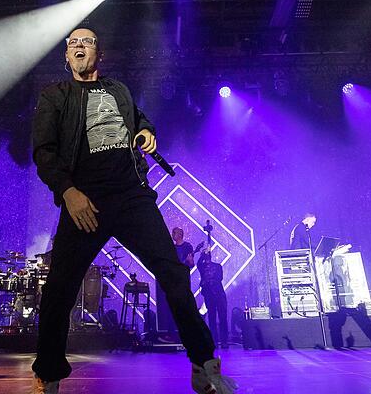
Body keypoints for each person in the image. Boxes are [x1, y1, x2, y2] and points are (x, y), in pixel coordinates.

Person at [30, 27, 236, 394]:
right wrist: (68, 191)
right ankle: (48, 375)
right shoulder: (55, 95)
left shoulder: (117, 90)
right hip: (85, 198)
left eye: (87, 41)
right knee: (60, 286)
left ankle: (204, 363)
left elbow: (138, 118)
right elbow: (44, 152)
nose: (79, 46)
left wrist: (146, 131)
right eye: (72, 43)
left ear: (99, 54)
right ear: (65, 56)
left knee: (174, 273)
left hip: (131, 194)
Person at [197, 250, 229, 349]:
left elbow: (219, 278)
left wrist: (209, 279)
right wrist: (202, 254)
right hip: (209, 295)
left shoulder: (218, 266)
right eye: (205, 256)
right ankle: (214, 341)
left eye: (207, 255)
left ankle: (224, 341)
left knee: (222, 318)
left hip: (219, 294)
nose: (206, 257)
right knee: (212, 318)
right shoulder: (202, 267)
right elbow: (198, 263)